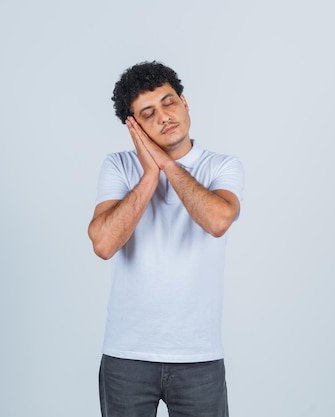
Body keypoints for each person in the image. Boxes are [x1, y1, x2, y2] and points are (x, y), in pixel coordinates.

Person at [88, 61, 244, 417]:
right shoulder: (119, 166)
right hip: (127, 357)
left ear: (185, 103)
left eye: (168, 102)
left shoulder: (222, 166)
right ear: (134, 126)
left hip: (199, 359)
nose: (164, 116)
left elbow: (218, 220)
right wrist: (148, 174)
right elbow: (104, 243)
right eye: (148, 112)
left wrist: (167, 164)